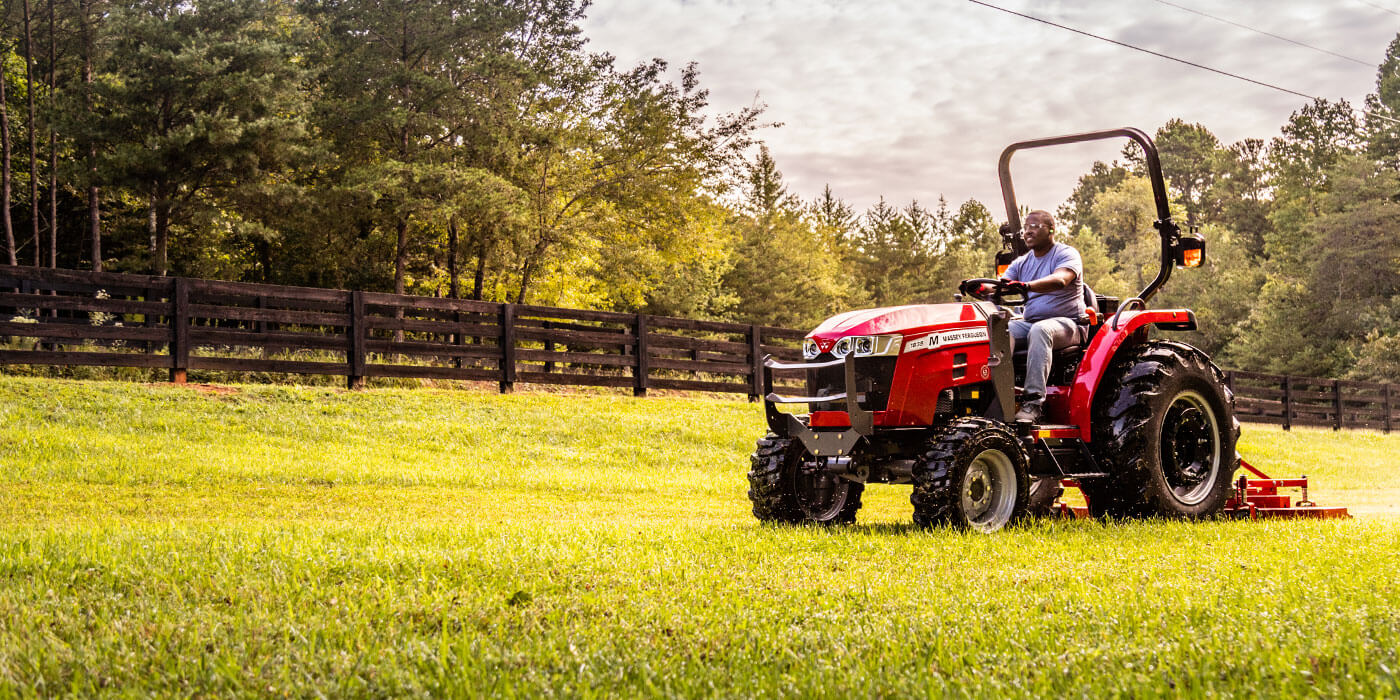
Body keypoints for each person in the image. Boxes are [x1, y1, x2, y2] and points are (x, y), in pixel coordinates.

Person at [999, 210, 1085, 424]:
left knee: (1041, 330)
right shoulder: (1021, 262)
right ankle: (999, 395)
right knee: (999, 331)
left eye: (1035, 226)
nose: (1028, 231)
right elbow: (1001, 286)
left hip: (1069, 324)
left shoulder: (1066, 254)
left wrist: (1027, 286)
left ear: (1051, 230)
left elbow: (1060, 280)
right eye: (1026, 228)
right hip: (1029, 322)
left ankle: (1033, 402)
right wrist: (979, 287)